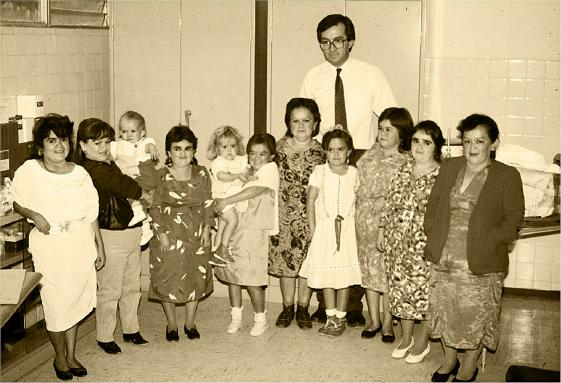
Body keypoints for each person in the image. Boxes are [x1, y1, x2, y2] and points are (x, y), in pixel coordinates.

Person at [299, 14, 398, 325]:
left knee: (354, 230)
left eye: (337, 41)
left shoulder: (371, 74)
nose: (331, 48)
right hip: (325, 156)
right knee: (326, 227)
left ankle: (352, 305)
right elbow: (303, 117)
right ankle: (324, 302)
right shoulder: (313, 76)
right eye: (324, 42)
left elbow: (390, 114)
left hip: (360, 155)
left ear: (350, 42)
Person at [425, 114, 524, 382]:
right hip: (443, 256)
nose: (472, 147)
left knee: (476, 317)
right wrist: (431, 231)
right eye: (467, 141)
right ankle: (448, 361)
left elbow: (514, 218)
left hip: (481, 261)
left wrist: (488, 240)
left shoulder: (507, 175)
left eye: (480, 141)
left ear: (494, 143)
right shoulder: (449, 167)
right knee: (444, 312)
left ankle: (469, 366)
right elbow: (433, 205)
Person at [12, 114, 105, 380]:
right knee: (56, 305)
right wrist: (35, 214)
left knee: (73, 304)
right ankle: (60, 357)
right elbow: (17, 202)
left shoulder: (80, 173)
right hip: (49, 246)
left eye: (63, 139)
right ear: (40, 146)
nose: (59, 146)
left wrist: (100, 246)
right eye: (52, 140)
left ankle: (72, 355)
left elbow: (91, 213)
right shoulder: (29, 170)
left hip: (79, 244)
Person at [75, 118, 149, 354]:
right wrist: (142, 193)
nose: (104, 147)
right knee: (110, 290)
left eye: (107, 142)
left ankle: (131, 329)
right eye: (97, 143)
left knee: (132, 286)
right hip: (110, 235)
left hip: (129, 231)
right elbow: (123, 185)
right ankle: (105, 335)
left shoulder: (106, 163)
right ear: (83, 146)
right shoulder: (92, 169)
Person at [376, 121, 444, 363]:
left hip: (424, 245)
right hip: (397, 242)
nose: (419, 146)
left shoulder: (442, 175)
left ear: (436, 147)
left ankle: (422, 342)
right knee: (400, 290)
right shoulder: (403, 169)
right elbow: (389, 201)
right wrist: (382, 230)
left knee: (423, 293)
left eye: (427, 142)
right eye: (416, 141)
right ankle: (406, 338)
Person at [141, 125, 214, 341]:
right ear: (168, 152)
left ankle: (190, 323)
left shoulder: (201, 173)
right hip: (168, 232)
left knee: (195, 277)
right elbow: (153, 206)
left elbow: (208, 201)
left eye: (187, 148)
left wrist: (208, 228)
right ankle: (171, 324)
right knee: (168, 278)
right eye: (177, 148)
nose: (183, 153)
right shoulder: (160, 175)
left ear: (193, 151)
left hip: (196, 232)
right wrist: (161, 234)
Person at [356, 107, 414, 342]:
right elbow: (358, 182)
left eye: (389, 130)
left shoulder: (408, 160)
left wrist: (386, 199)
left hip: (391, 224)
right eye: (380, 129)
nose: (382, 134)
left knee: (388, 274)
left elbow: (405, 194)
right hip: (364, 221)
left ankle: (389, 323)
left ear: (402, 133)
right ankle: (374, 320)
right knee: (369, 272)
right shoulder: (369, 155)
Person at [214, 133, 279, 337]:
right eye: (253, 154)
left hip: (254, 230)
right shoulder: (246, 169)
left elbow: (254, 191)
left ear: (272, 156)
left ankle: (260, 318)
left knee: (252, 278)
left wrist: (226, 201)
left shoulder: (270, 170)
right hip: (239, 228)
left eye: (262, 154)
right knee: (233, 275)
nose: (257, 158)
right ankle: (236, 317)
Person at [298, 128, 362, 337]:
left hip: (347, 231)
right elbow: (310, 201)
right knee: (326, 274)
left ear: (349, 152)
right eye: (331, 150)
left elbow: (360, 201)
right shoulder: (319, 172)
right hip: (324, 230)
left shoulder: (354, 173)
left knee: (343, 276)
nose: (335, 154)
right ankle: (330, 316)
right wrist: (314, 228)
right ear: (325, 152)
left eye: (340, 149)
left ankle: (341, 317)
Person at [269, 98, 326, 329]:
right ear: (288, 123)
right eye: (295, 121)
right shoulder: (277, 149)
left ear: (315, 124)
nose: (301, 126)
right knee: (286, 264)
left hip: (311, 217)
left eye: (306, 121)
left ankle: (303, 306)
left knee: (307, 263)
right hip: (283, 216)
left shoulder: (322, 151)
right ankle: (287, 307)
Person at [110, 111, 159, 247]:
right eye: (124, 131)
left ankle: (142, 218)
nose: (129, 135)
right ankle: (146, 228)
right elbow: (110, 156)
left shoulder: (142, 143)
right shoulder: (118, 145)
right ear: (120, 132)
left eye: (133, 131)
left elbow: (149, 146)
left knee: (133, 193)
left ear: (142, 133)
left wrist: (153, 149)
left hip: (141, 174)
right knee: (131, 198)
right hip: (129, 177)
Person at [207, 125, 252, 267]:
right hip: (221, 199)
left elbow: (250, 167)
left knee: (222, 227)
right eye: (224, 147)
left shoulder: (240, 160)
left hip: (231, 200)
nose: (229, 150)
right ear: (217, 149)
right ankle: (223, 249)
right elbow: (222, 176)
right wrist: (238, 175)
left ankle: (215, 251)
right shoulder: (218, 162)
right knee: (232, 220)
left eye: (233, 146)